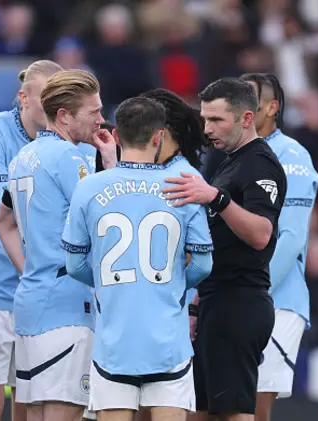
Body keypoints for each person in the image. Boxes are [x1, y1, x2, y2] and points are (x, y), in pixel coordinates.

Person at [62, 96, 213, 421]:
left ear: (116, 137)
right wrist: (173, 283)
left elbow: (74, 264)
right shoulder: (184, 186)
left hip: (113, 343)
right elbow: (204, 264)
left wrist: (107, 281)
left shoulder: (88, 188)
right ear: (159, 137)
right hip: (168, 342)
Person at [0, 69, 117, 421]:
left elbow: (2, 220)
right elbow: (102, 220)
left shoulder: (22, 157)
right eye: (92, 112)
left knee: (35, 414)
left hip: (33, 300)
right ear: (63, 116)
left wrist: (31, 268)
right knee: (64, 412)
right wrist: (110, 166)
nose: (100, 119)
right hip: (67, 305)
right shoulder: (71, 158)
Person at [162, 78, 287, 421]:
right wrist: (197, 307)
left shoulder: (261, 164)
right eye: (205, 119)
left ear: (247, 119)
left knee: (234, 413)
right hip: (216, 303)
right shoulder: (229, 161)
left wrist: (216, 198)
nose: (207, 129)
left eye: (217, 120)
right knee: (200, 412)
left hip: (240, 303)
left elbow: (262, 234)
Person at [0, 59, 62, 421]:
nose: (54, 108)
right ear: (23, 97)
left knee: (32, 408)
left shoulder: (67, 145)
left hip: (41, 298)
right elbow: (3, 214)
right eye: (46, 98)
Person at [239, 73, 318, 421]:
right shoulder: (231, 153)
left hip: (275, 301)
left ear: (273, 108)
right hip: (234, 297)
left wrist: (255, 291)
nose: (242, 111)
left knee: (255, 407)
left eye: (250, 103)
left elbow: (291, 238)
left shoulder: (292, 156)